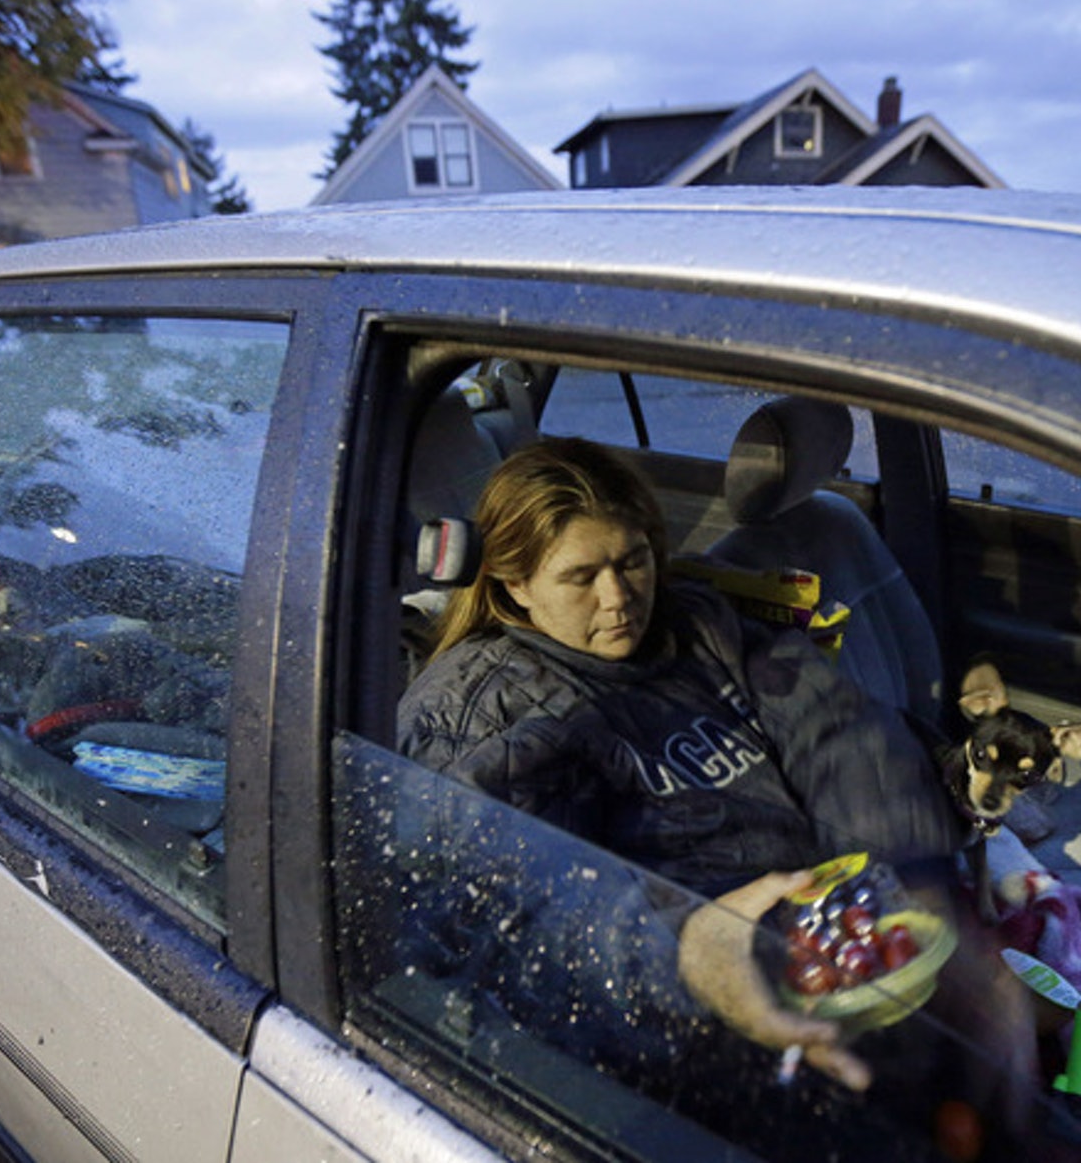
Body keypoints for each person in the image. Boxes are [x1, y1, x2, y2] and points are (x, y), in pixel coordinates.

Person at [396, 436, 1028, 1102]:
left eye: (632, 562)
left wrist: (923, 883)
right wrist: (686, 953)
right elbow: (512, 913)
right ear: (514, 584)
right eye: (581, 578)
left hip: (827, 955)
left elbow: (837, 734)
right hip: (687, 1024)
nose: (618, 599)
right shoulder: (485, 717)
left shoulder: (698, 625)